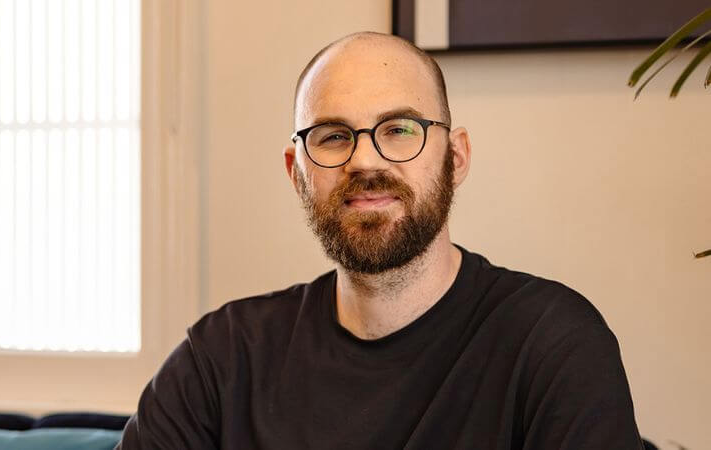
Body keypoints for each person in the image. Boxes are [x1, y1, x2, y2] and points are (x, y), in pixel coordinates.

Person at [117, 32, 644, 449]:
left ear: (454, 158)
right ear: (296, 172)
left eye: (399, 129)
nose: (364, 160)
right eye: (332, 136)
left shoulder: (554, 344)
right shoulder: (221, 359)